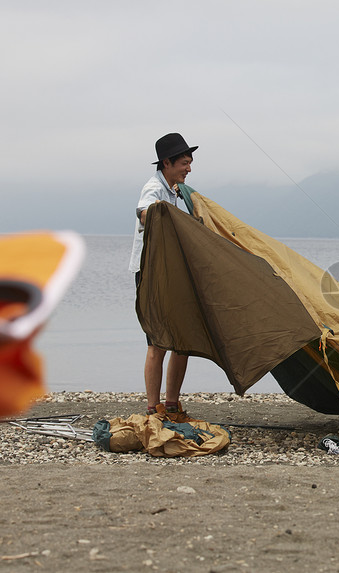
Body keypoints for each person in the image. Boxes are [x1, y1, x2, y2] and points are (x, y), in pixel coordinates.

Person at [128, 133, 198, 416]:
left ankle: (171, 404)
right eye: (184, 162)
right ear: (166, 163)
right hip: (150, 275)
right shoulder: (154, 188)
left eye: (190, 162)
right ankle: (152, 409)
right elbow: (143, 212)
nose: (189, 168)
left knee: (181, 341)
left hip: (169, 274)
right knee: (157, 343)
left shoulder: (175, 189)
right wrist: (159, 214)